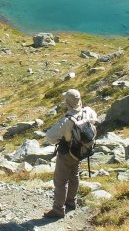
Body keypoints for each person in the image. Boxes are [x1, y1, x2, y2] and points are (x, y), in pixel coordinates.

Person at [43, 89, 100, 219]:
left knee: (60, 181)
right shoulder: (88, 111)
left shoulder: (67, 121)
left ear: (67, 102)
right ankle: (71, 202)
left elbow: (50, 137)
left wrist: (62, 138)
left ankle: (58, 209)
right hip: (81, 151)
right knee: (74, 175)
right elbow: (95, 121)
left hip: (68, 152)